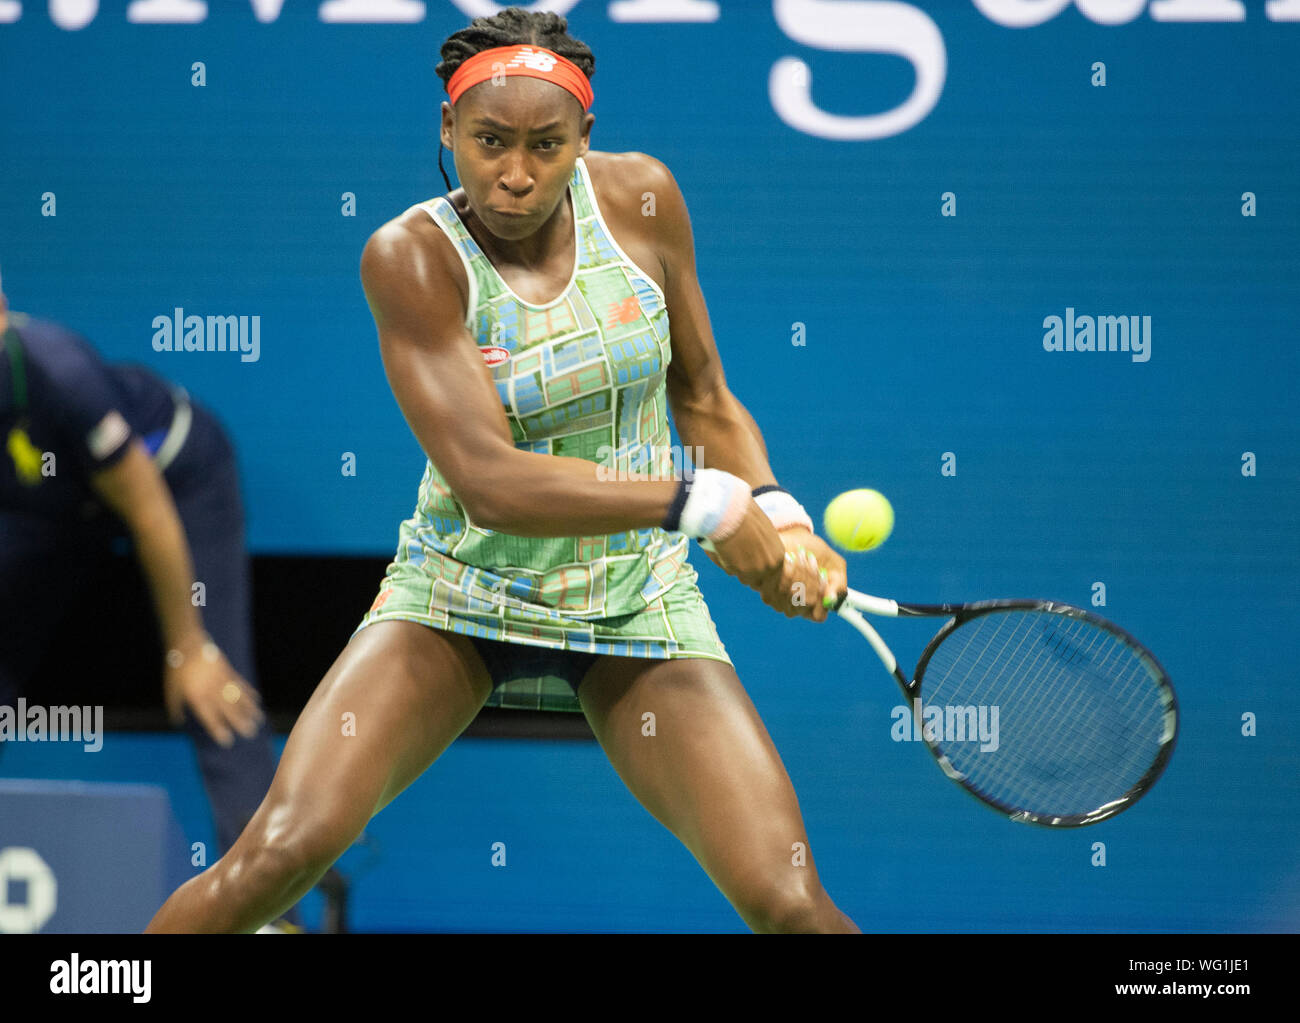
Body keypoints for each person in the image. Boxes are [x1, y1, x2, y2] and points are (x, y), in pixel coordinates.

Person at [146, 7, 859, 933]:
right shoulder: (410, 258)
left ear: (583, 141)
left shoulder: (645, 200)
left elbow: (705, 396)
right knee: (277, 853)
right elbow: (491, 480)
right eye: (488, 141)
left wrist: (780, 510)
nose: (515, 174)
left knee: (790, 900)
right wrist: (706, 504)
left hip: (633, 602)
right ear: (447, 129)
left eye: (545, 145)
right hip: (460, 596)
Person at [0, 272, 301, 931]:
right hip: (57, 506)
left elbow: (148, 512)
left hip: (173, 482)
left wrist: (187, 648)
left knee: (212, 691)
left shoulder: (59, 372)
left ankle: (272, 916)